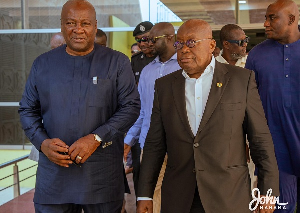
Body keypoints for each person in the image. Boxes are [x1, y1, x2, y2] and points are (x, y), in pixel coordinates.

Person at [137, 19, 279, 213]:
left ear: (212, 45)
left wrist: (267, 191)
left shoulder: (241, 80)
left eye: (192, 42)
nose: (184, 49)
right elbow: (154, 144)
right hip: (179, 197)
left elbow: (260, 140)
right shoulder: (164, 86)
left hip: (228, 196)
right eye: (180, 43)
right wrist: (145, 194)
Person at [18, 0, 140, 212]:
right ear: (62, 25)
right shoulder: (43, 64)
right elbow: (27, 110)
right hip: (54, 177)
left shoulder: (117, 62)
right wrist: (43, 143)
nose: (78, 30)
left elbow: (130, 106)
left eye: (85, 23)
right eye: (71, 22)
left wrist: (96, 137)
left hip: (101, 176)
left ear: (95, 25)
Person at [245, 0, 300, 212]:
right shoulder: (257, 55)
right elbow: (248, 102)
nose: (265, 23)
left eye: (272, 18)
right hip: (274, 154)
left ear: (292, 19)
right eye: (266, 17)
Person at [124, 22, 180, 212]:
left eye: (153, 40)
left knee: (179, 197)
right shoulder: (147, 72)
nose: (148, 44)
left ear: (170, 38)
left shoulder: (185, 65)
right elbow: (142, 111)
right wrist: (129, 140)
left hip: (180, 146)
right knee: (150, 199)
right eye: (145, 40)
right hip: (150, 146)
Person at [215, 23, 257, 190]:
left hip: (248, 132)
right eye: (240, 42)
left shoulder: (250, 66)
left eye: (246, 40)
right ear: (226, 44)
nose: (245, 44)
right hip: (220, 135)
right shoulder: (212, 67)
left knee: (247, 180)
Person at [29, 32, 67, 162]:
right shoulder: (42, 68)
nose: (55, 52)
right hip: (47, 138)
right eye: (53, 48)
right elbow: (30, 108)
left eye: (60, 47)